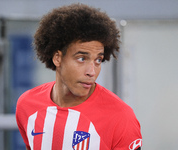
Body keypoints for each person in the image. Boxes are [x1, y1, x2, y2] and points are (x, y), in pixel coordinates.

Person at [16, 3, 142, 150]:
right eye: (82, 58)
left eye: (98, 60)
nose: (91, 72)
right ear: (57, 58)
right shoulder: (27, 105)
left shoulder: (121, 117)